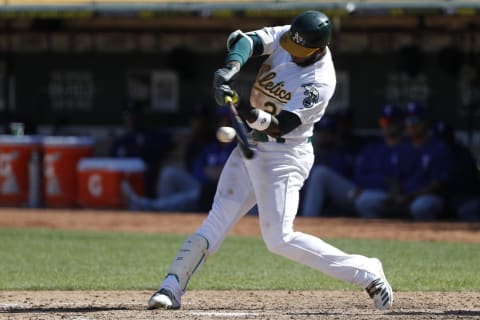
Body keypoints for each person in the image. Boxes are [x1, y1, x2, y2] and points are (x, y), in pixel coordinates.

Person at [146, 10, 393, 311]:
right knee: (218, 218)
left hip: (285, 156)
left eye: (299, 49)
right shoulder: (292, 34)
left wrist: (242, 111)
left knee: (279, 238)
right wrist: (230, 69)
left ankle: (367, 271)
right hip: (251, 143)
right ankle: (171, 286)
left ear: (318, 49)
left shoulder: (320, 81)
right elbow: (246, 41)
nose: (290, 49)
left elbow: (282, 124)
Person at [302, 104, 408, 217]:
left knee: (365, 200)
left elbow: (405, 180)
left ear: (401, 123)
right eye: (384, 122)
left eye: (392, 122)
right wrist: (368, 185)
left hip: (390, 195)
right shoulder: (373, 147)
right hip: (360, 191)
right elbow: (360, 175)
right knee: (320, 173)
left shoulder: (408, 148)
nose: (387, 126)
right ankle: (309, 221)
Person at [358, 102, 450, 220]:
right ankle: (385, 234)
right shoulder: (403, 147)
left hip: (427, 197)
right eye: (408, 120)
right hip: (403, 198)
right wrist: (395, 195)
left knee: (419, 207)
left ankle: (427, 234)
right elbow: (396, 178)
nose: (411, 124)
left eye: (415, 120)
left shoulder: (437, 147)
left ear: (425, 122)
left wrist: (409, 197)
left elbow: (437, 184)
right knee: (365, 202)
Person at [110, 101, 173, 198]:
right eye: (127, 115)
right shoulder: (119, 142)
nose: (130, 119)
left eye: (133, 115)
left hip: (147, 187)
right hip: (122, 187)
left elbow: (173, 141)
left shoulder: (152, 136)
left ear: (140, 116)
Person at [433, 121, 480, 222]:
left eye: (446, 140)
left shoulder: (463, 154)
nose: (443, 144)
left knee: (466, 211)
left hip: (465, 197)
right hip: (442, 197)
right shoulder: (432, 154)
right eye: (440, 141)